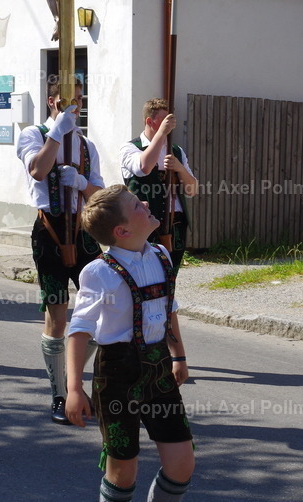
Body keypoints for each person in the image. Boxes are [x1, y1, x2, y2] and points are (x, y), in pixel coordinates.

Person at [65, 184, 194, 502]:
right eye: (137, 204)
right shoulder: (98, 273)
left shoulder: (161, 256)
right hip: (117, 375)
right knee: (123, 471)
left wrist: (178, 356)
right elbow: (79, 330)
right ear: (121, 230)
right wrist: (73, 388)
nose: (146, 202)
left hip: (159, 369)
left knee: (182, 464)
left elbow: (169, 308)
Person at [15, 80, 104, 423]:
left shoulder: (86, 146)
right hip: (49, 229)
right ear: (52, 101)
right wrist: (57, 133)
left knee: (100, 308)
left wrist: (82, 183)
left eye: (79, 101)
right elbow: (37, 169)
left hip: (82, 229)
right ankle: (59, 395)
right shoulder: (32, 135)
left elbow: (98, 195)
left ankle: (74, 383)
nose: (74, 107)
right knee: (57, 315)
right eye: (68, 101)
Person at [119, 98, 199, 275]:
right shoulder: (131, 148)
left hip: (175, 221)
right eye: (164, 121)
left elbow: (192, 189)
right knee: (145, 274)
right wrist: (161, 134)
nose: (169, 126)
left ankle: (167, 303)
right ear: (150, 121)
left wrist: (179, 168)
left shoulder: (176, 150)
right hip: (144, 222)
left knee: (170, 275)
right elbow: (143, 168)